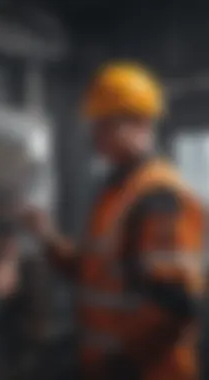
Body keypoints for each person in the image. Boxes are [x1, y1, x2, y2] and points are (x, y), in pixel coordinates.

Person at [23, 62, 205, 379]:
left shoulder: (160, 196)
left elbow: (174, 305)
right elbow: (94, 274)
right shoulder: (114, 192)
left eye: (106, 124)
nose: (95, 135)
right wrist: (47, 237)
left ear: (141, 123)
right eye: (95, 124)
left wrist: (121, 368)